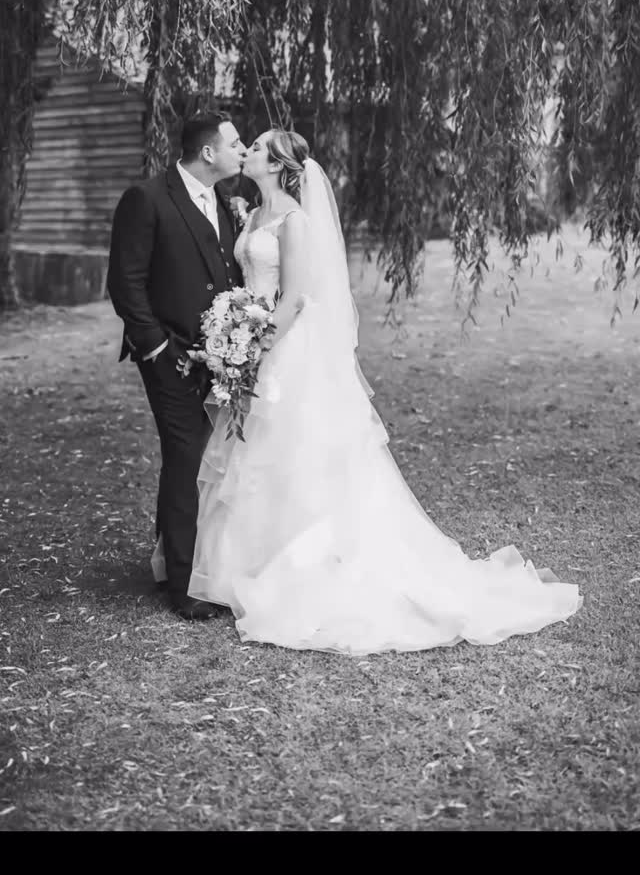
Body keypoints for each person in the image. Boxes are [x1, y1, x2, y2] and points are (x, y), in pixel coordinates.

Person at [188, 127, 582, 655]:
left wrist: (250, 350)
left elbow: (299, 299)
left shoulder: (295, 222)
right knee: (252, 457)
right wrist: (237, 334)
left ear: (280, 165)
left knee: (293, 454)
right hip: (256, 341)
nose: (248, 152)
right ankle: (248, 566)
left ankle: (304, 565)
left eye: (257, 147)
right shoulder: (252, 214)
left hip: (281, 349)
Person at [107, 112, 247, 619]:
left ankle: (178, 563)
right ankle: (184, 586)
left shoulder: (226, 205)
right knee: (187, 455)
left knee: (207, 458)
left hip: (220, 355)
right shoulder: (146, 199)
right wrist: (156, 351)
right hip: (170, 357)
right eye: (236, 143)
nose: (243, 150)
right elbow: (126, 282)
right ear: (208, 152)